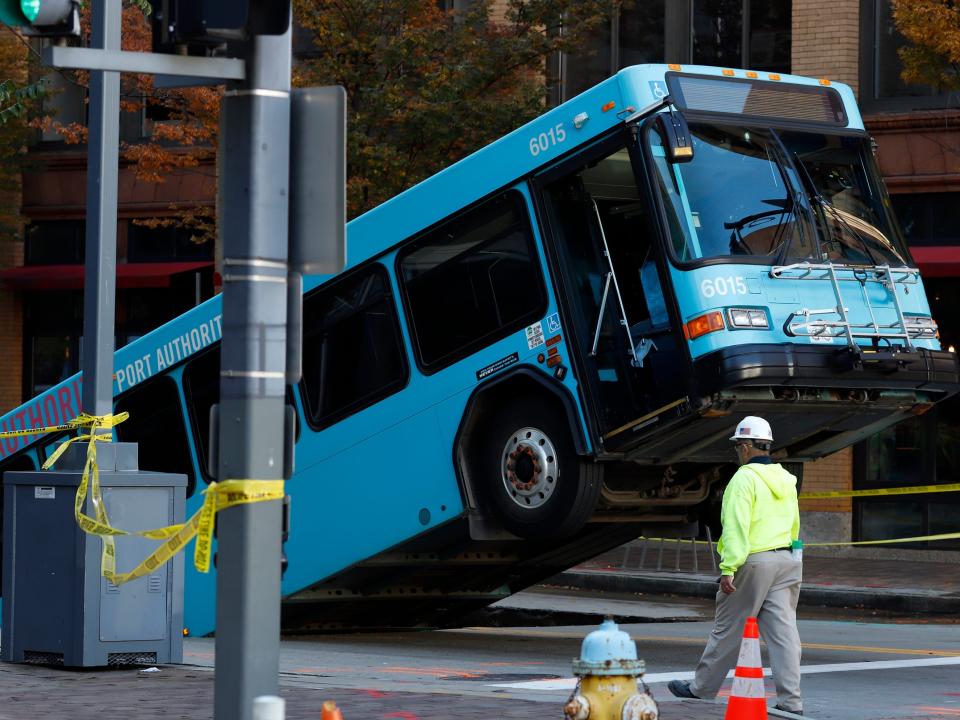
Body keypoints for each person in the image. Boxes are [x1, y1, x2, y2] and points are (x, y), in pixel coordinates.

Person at [667, 415, 803, 715]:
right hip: (786, 561)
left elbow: (736, 528)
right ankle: (791, 702)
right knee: (784, 634)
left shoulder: (743, 479)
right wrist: (794, 557)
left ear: (744, 447)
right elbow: (794, 524)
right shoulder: (785, 478)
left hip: (753, 562)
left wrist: (728, 568)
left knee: (727, 628)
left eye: (737, 447)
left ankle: (701, 689)